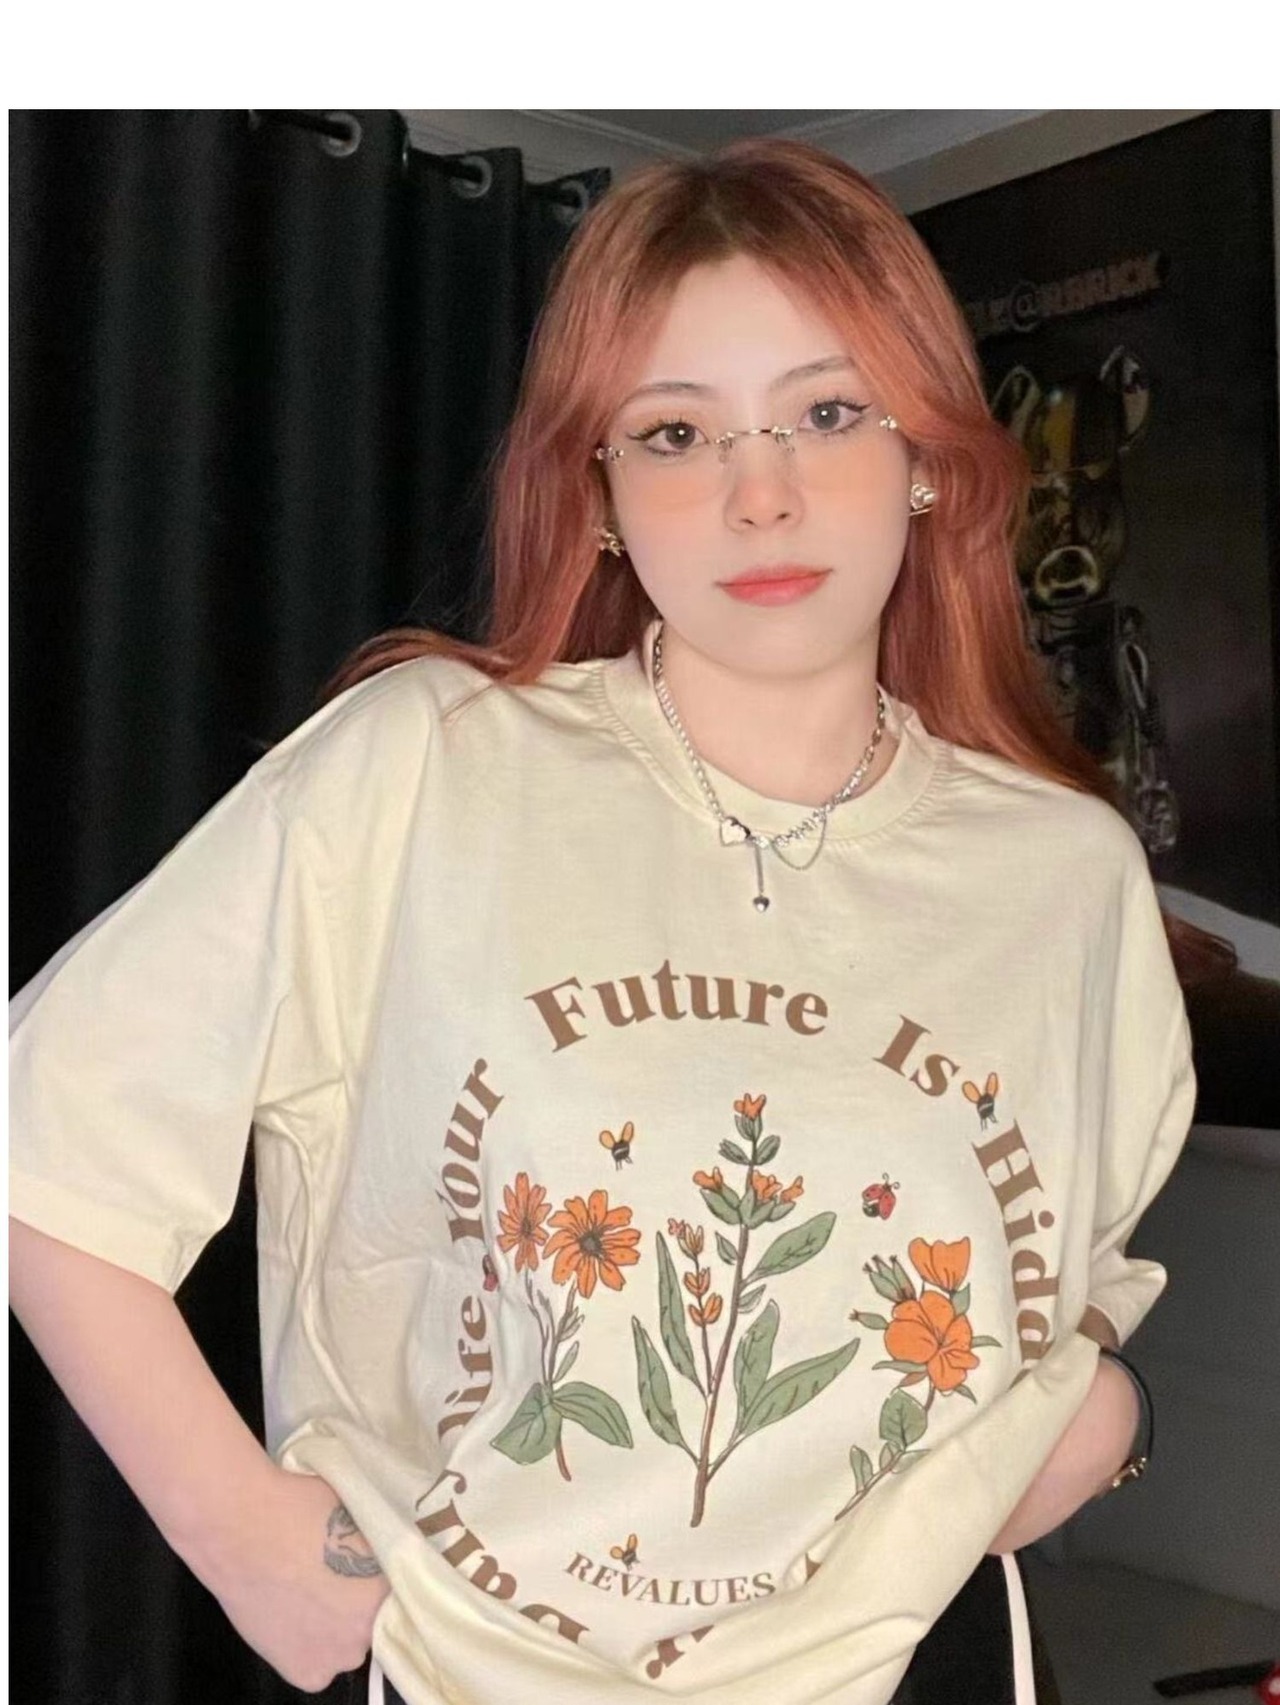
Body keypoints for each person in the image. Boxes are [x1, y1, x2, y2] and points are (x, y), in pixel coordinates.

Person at [10, 138, 1216, 1705]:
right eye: (676, 432)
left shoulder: (1064, 874)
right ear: (597, 493)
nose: (761, 493)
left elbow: (1060, 1284)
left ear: (926, 453)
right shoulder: (427, 768)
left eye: (827, 411)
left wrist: (1109, 1412)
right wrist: (250, 1544)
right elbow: (50, 1141)